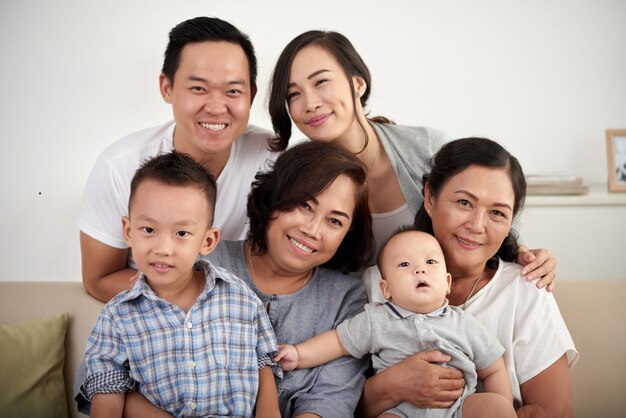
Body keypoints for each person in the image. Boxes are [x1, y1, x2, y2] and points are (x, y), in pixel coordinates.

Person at [268, 30, 557, 286]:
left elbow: (486, 202)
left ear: (357, 84)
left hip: (450, 308)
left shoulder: (425, 146)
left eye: (321, 82)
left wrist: (523, 252)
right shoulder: (298, 176)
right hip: (361, 327)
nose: (310, 103)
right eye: (294, 94)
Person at [360, 137, 578, 417]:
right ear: (429, 197)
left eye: (497, 212)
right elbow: (337, 401)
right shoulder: (377, 285)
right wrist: (392, 386)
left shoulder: (527, 291)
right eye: (464, 202)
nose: (476, 226)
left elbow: (555, 413)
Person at [79, 16, 278, 302]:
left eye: (233, 91)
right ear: (167, 88)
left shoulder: (274, 159)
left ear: (251, 95)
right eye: (198, 88)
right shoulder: (118, 166)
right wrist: (201, 302)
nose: (216, 107)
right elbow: (99, 279)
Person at [79, 151, 280, 418]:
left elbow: (262, 362)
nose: (163, 248)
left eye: (182, 233)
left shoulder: (240, 299)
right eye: (149, 230)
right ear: (128, 231)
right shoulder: (118, 316)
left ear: (207, 241)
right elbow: (107, 389)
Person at [207, 141, 374, 417]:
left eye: (334, 221)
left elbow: (330, 401)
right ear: (275, 195)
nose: (312, 230)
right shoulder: (207, 264)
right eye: (305, 205)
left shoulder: (347, 298)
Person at [276, 229, 516, 418]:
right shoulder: (376, 319)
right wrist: (299, 354)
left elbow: (493, 367)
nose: (420, 269)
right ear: (386, 288)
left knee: (495, 407)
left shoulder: (463, 322)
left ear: (447, 282)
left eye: (430, 262)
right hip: (402, 411)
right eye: (404, 265)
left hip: (460, 408)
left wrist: (502, 404)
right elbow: (338, 342)